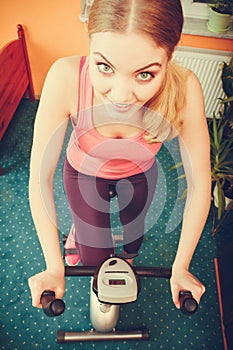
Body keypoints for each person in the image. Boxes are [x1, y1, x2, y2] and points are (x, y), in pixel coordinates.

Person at [28, 0, 211, 310]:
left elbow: (200, 184)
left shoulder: (186, 88)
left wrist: (181, 265)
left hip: (139, 173)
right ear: (89, 35)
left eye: (144, 75)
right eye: (105, 67)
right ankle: (79, 235)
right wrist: (52, 264)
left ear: (170, 54)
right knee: (93, 258)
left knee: (133, 241)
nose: (122, 96)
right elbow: (39, 178)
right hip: (83, 172)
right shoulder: (65, 76)